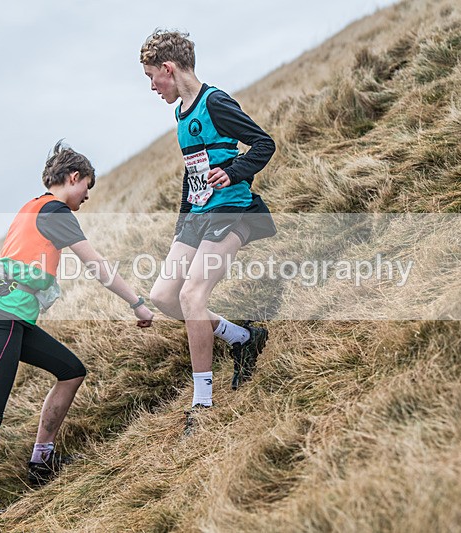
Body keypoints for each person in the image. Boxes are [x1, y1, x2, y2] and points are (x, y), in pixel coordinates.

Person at [0, 141, 154, 517]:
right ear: (73, 177)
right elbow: (96, 264)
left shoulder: (30, 206)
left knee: (71, 371)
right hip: (2, 320)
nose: (87, 195)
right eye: (87, 186)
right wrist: (137, 302)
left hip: (10, 319)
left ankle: (41, 460)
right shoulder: (55, 211)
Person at [140, 30, 276, 429]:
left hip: (233, 210)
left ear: (169, 68)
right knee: (164, 296)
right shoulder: (180, 113)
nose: (152, 86)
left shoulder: (214, 102)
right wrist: (183, 224)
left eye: (152, 77)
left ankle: (202, 405)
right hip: (198, 216)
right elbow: (192, 173)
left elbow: (262, 144)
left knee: (191, 295)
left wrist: (232, 172)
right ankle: (243, 339)